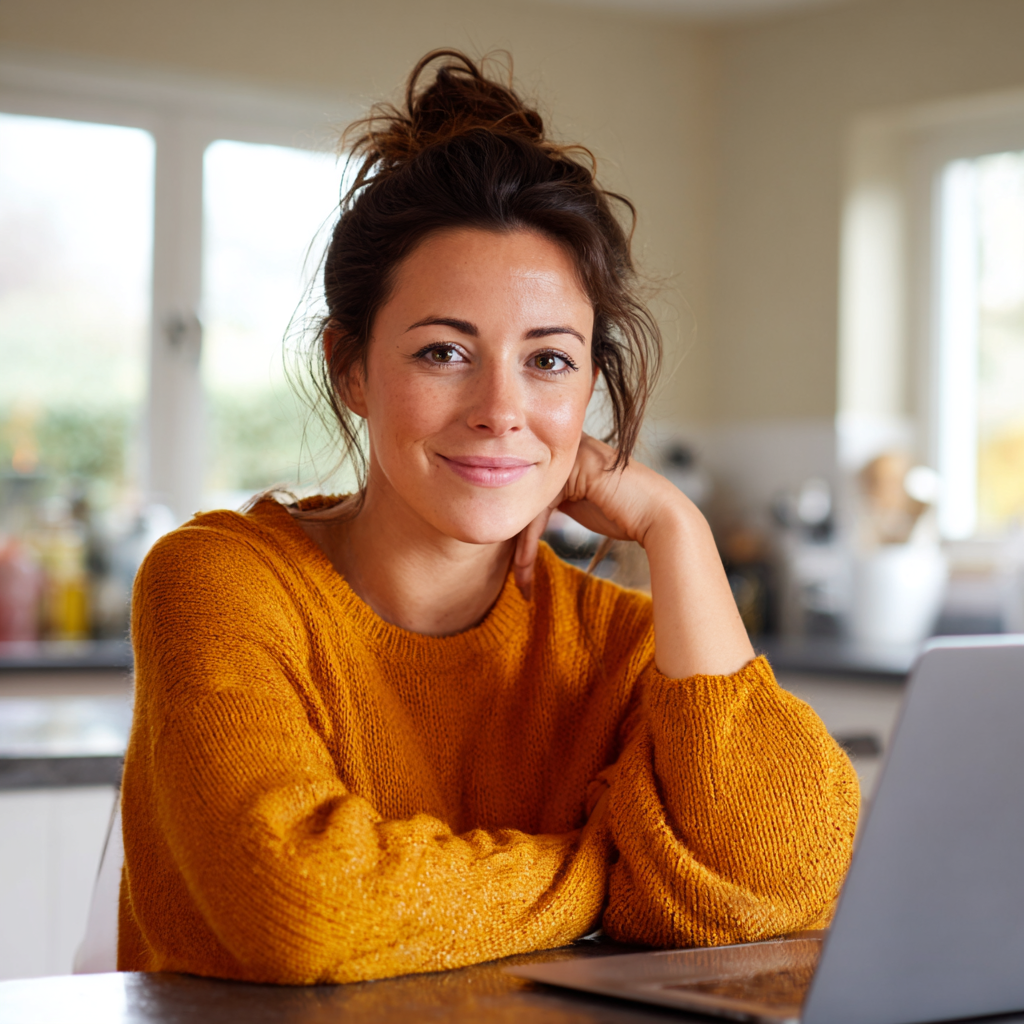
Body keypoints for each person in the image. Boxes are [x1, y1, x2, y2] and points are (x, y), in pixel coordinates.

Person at [119, 50, 859, 985]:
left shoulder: (622, 645)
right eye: (442, 351)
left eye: (548, 360)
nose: (500, 409)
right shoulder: (220, 582)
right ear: (351, 367)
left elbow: (793, 884)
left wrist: (678, 531)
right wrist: (605, 869)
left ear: (593, 379)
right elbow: (302, 906)